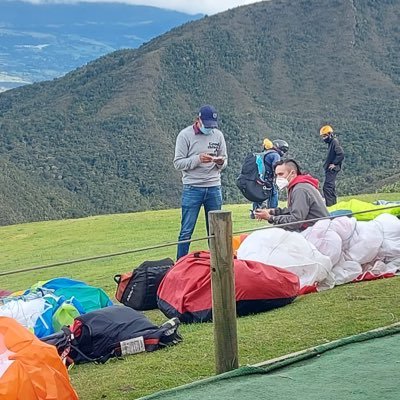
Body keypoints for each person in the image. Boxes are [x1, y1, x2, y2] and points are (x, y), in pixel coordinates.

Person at [173, 105, 228, 260]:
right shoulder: (184, 135)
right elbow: (178, 163)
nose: (209, 129)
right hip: (192, 188)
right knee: (186, 231)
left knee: (215, 229)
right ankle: (180, 264)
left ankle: (219, 262)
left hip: (213, 187)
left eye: (212, 126)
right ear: (198, 120)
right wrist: (197, 159)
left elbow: (224, 161)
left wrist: (219, 162)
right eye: (207, 125)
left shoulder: (218, 136)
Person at [254, 159, 329, 231]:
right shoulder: (299, 185)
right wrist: (272, 211)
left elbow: (296, 221)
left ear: (292, 173)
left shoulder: (300, 190)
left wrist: (270, 218)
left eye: (281, 174)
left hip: (317, 233)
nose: (278, 178)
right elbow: (293, 210)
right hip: (315, 228)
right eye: (276, 175)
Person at [250, 138, 289, 219]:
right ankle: (272, 211)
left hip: (259, 179)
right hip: (268, 180)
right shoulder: (275, 155)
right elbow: (276, 167)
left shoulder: (265, 153)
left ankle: (255, 212)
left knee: (259, 195)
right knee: (273, 194)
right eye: (284, 150)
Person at [319, 125, 344, 207]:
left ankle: (330, 206)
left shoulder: (334, 142)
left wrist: (334, 164)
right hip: (330, 169)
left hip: (332, 169)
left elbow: (341, 154)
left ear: (330, 134)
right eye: (323, 136)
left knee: (327, 187)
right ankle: (333, 205)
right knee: (330, 187)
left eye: (325, 136)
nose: (324, 138)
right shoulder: (331, 143)